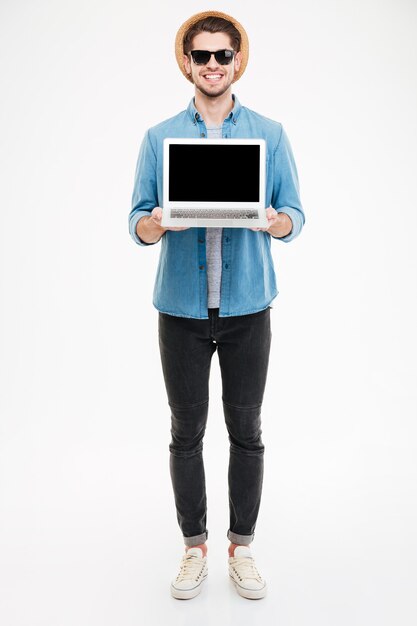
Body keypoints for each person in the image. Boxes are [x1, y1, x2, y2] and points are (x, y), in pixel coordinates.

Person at [129, 10, 305, 600]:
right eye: (200, 56)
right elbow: (137, 218)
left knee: (246, 429)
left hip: (248, 305)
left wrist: (276, 220)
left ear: (237, 61)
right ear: (186, 62)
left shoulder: (270, 134)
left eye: (221, 56)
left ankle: (243, 546)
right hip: (179, 307)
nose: (211, 65)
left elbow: (294, 214)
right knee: (185, 430)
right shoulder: (159, 139)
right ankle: (193, 547)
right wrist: (154, 225)